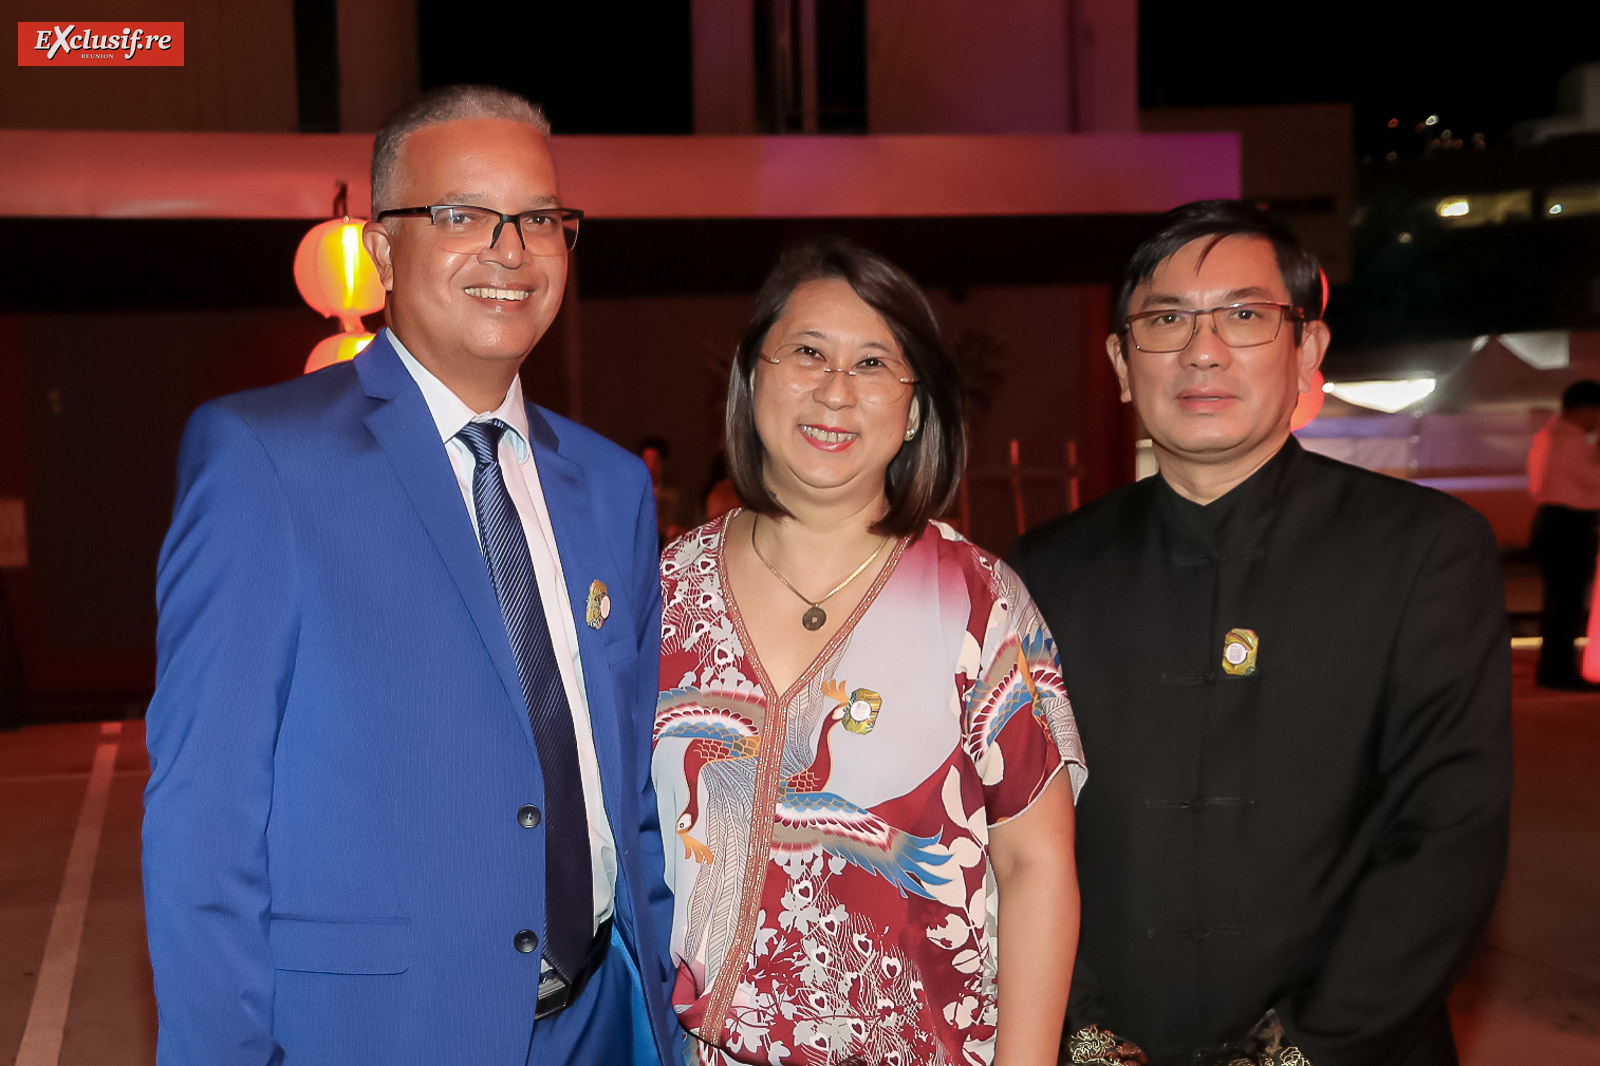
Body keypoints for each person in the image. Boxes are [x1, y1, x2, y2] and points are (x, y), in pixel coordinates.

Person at [142, 86, 678, 1065]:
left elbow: (626, 785)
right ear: (382, 250)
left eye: (540, 219)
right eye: (462, 215)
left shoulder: (610, 487)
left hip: (603, 1022)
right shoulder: (263, 459)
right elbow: (202, 830)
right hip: (378, 1035)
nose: (509, 250)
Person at [1009, 201, 1511, 1066]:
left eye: (1244, 315)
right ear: (1121, 363)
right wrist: (1083, 1034)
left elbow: (1447, 833)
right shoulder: (1036, 575)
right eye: (1165, 320)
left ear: (1307, 350)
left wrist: (1297, 1053)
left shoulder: (1423, 551)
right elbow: (1007, 832)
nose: (1203, 350)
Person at [651, 238, 1086, 1066]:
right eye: (808, 353)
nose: (835, 391)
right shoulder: (662, 594)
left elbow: (1036, 868)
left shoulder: (978, 603)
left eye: (874, 364)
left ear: (915, 408)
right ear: (752, 381)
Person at [1526, 379, 1600, 689]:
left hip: (1552, 522)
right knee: (1565, 604)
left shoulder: (1547, 435)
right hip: (1569, 524)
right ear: (1584, 409)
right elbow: (1593, 483)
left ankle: (1554, 670)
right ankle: (1559, 673)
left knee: (1559, 602)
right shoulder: (1569, 440)